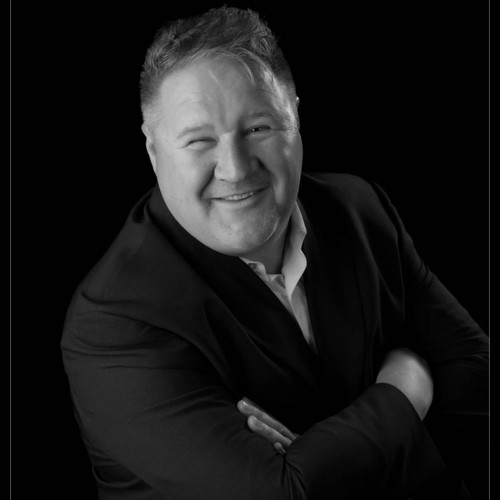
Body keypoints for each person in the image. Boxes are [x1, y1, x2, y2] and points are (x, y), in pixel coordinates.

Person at [61, 6, 489, 499]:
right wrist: (405, 388)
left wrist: (317, 459)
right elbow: (282, 494)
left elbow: (478, 383)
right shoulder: (114, 321)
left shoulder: (358, 210)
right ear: (153, 150)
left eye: (257, 128)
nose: (236, 168)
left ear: (295, 118)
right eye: (199, 140)